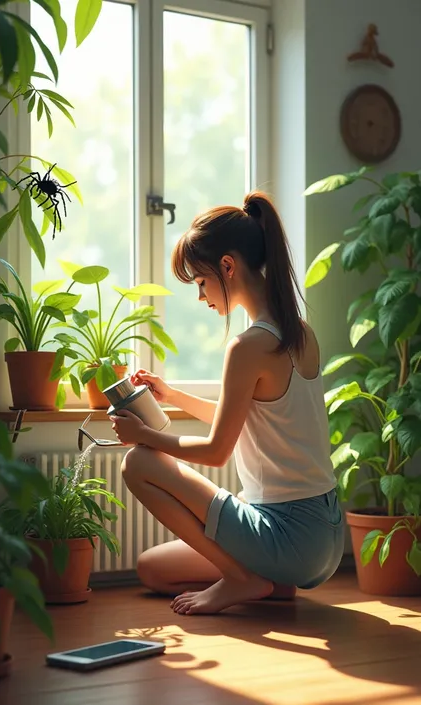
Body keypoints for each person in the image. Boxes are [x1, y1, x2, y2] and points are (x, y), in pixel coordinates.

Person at [110, 190, 345, 616]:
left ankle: (243, 578)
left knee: (138, 463)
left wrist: (142, 435)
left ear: (228, 266)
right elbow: (249, 419)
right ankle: (269, 582)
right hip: (325, 538)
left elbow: (217, 451)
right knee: (153, 570)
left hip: (287, 532)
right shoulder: (301, 333)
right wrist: (173, 395)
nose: (201, 297)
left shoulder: (248, 345)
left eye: (200, 282)